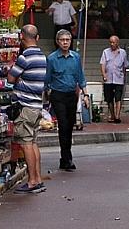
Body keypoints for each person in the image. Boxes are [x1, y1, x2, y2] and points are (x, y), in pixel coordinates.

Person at [6, 25, 48, 193]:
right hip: (37, 105)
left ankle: (32, 181)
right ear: (37, 38)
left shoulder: (25, 57)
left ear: (22, 37)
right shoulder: (42, 56)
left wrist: (18, 80)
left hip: (26, 106)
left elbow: (10, 78)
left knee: (26, 143)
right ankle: (37, 178)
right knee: (33, 142)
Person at [46, 29, 86, 171]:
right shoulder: (51, 58)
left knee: (69, 126)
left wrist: (85, 95)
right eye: (62, 40)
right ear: (57, 42)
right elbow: (47, 79)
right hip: (58, 95)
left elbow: (80, 77)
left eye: (67, 40)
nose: (65, 42)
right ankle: (67, 158)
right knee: (63, 125)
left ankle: (65, 158)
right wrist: (46, 94)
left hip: (71, 95)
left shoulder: (75, 57)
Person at [99, 34, 128, 124]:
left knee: (118, 98)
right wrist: (104, 75)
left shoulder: (123, 52)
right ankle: (112, 115)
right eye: (110, 42)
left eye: (113, 42)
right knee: (109, 99)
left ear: (117, 43)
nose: (112, 44)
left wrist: (123, 76)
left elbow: (125, 65)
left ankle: (117, 116)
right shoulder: (106, 52)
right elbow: (102, 64)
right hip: (108, 79)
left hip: (119, 79)